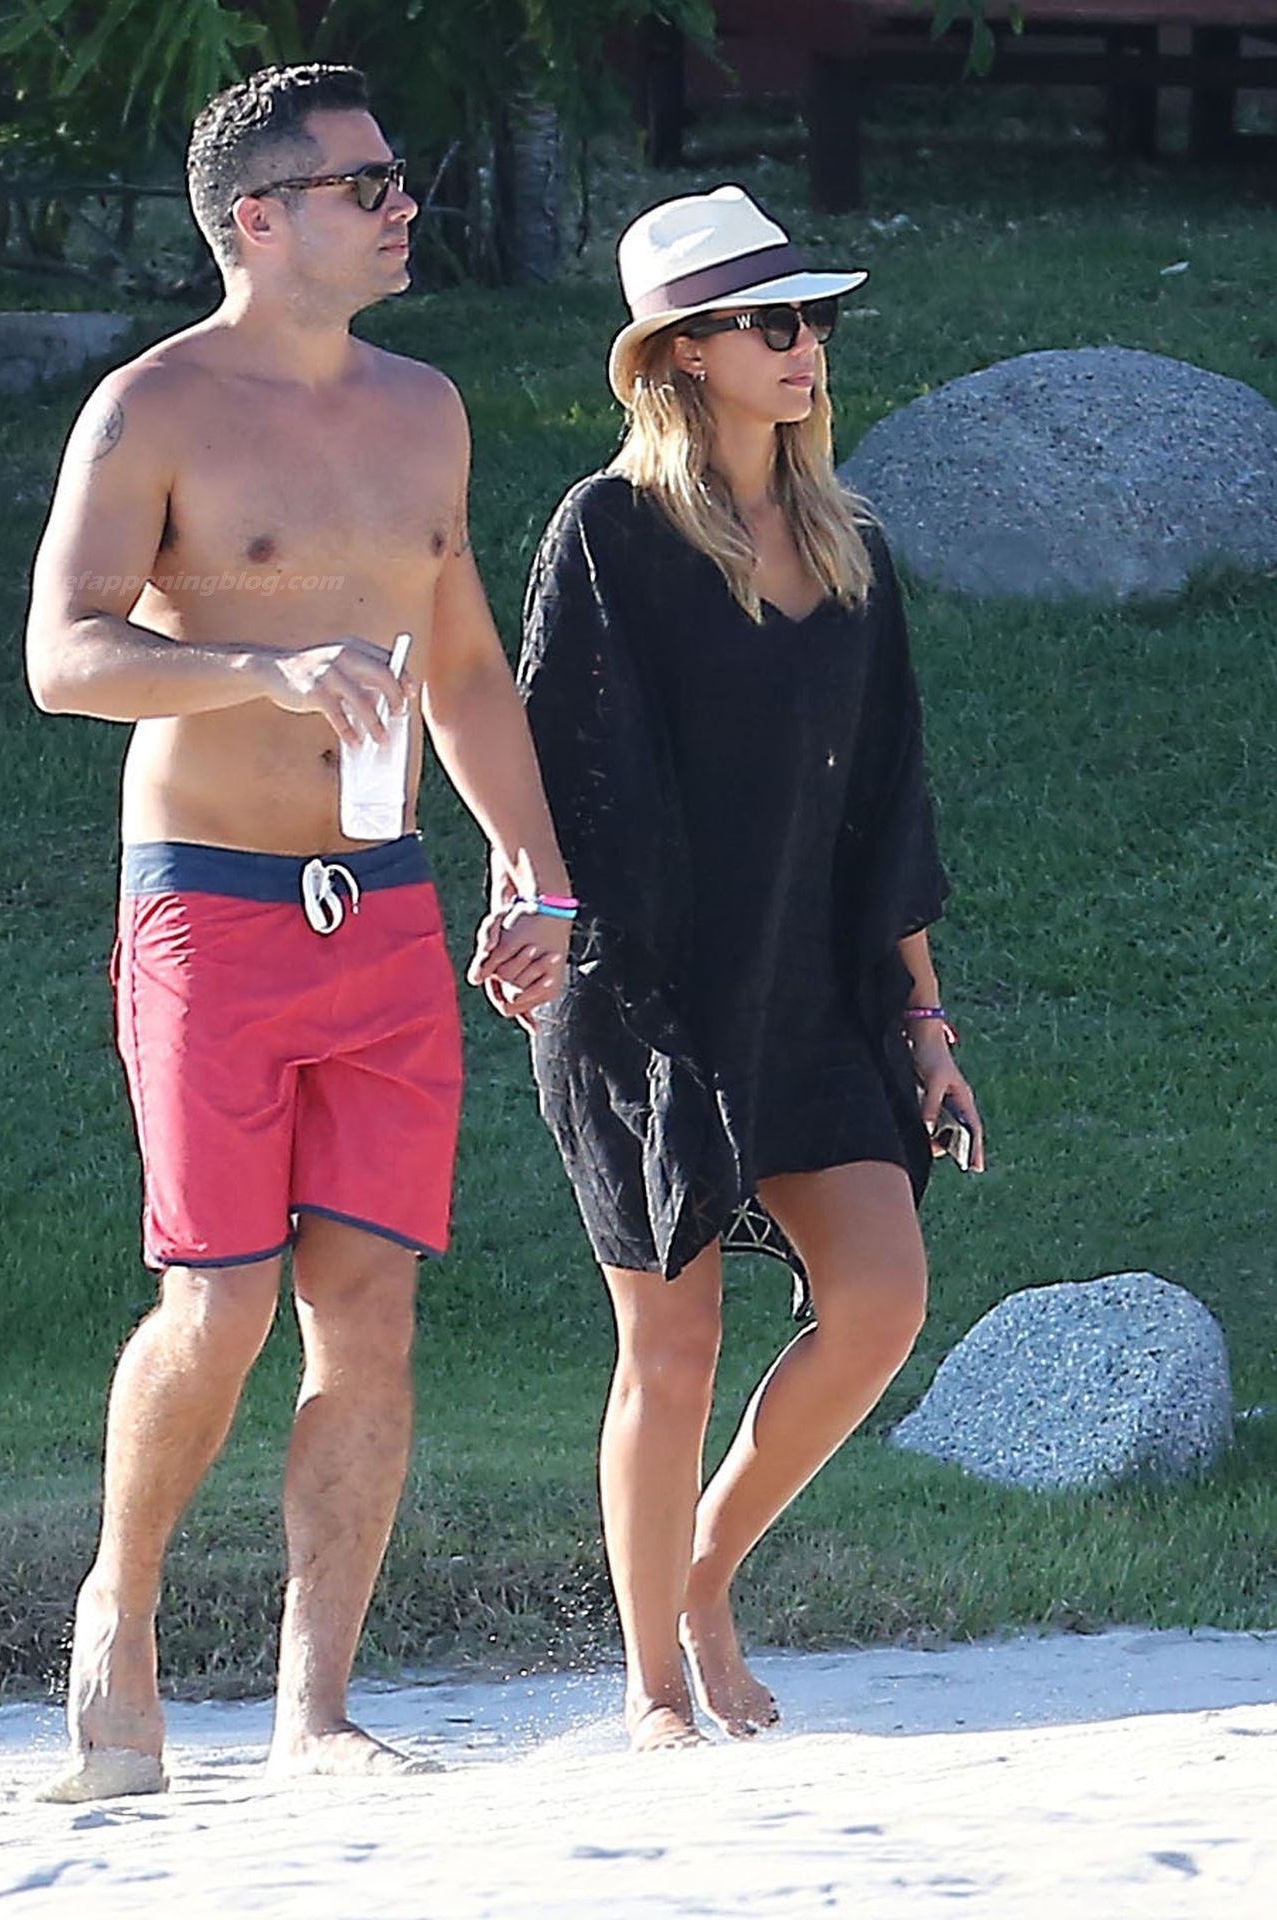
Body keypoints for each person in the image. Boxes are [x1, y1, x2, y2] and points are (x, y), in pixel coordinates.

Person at [23, 63, 571, 1798]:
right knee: (218, 1303)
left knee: (370, 1308)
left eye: (398, 179)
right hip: (210, 899)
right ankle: (120, 1610)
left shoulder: (426, 407)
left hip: (384, 905)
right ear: (258, 218)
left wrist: (534, 868)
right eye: (367, 184)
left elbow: (460, 662)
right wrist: (258, 668)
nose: (405, 206)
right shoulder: (151, 406)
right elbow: (63, 654)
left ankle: (313, 1711)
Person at [504, 185, 985, 1753]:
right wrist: (536, 908)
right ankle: (650, 1683)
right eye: (767, 321)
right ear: (681, 355)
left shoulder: (849, 544)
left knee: (880, 1298)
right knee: (675, 1344)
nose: (802, 345)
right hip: (644, 993)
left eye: (812, 316)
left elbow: (889, 796)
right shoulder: (609, 532)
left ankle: (703, 1578)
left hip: (814, 985)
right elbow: (556, 762)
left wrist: (921, 1016)